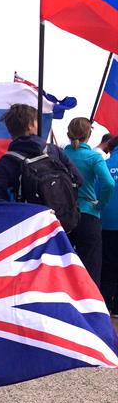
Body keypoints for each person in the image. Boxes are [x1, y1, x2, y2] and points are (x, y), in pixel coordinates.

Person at [0, 103, 83, 201]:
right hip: (61, 214)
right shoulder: (53, 150)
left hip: (29, 215)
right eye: (36, 121)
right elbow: (78, 179)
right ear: (30, 125)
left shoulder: (6, 162)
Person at [63, 118, 114, 286]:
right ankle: (91, 309)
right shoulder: (93, 157)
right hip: (88, 215)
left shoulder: (60, 155)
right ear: (89, 134)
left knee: (65, 266)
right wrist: (100, 205)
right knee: (91, 267)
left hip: (64, 216)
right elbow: (108, 183)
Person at [100, 136, 118, 315]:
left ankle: (105, 305)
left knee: (108, 264)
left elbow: (97, 191)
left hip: (106, 222)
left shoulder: (104, 164)